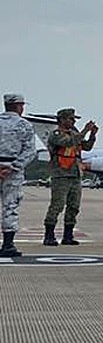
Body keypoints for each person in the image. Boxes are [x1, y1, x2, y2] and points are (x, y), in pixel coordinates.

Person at [43, 108, 98, 246]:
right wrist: (84, 130)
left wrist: (92, 135)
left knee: (74, 206)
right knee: (57, 205)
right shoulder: (56, 134)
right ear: (62, 119)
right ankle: (49, 235)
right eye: (70, 118)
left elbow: (87, 147)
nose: (73, 121)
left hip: (75, 174)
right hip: (61, 175)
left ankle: (68, 235)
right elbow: (68, 143)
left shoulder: (74, 134)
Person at [0, 92, 39, 258]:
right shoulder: (24, 125)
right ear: (18, 106)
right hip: (12, 171)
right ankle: (8, 244)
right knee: (10, 206)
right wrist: (13, 167)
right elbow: (30, 151)